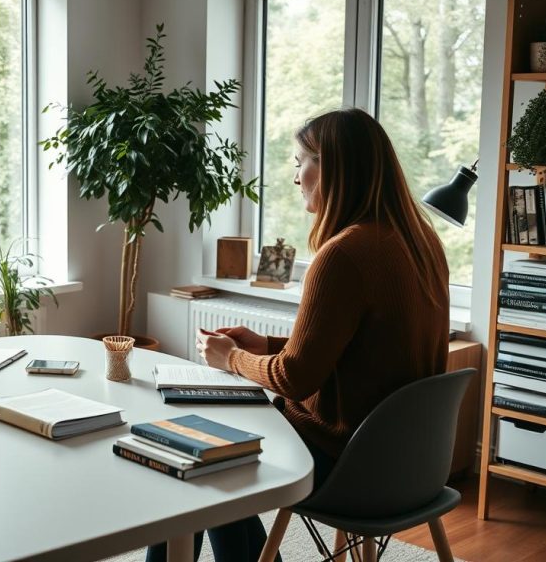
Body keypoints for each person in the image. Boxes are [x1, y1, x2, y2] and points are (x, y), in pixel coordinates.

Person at [147, 108, 450, 562]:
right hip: (411, 466)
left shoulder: (343, 255)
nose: (295, 178)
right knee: (209, 455)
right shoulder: (422, 242)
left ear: (332, 168)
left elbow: (295, 380)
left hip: (347, 465)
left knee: (196, 457)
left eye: (299, 162)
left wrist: (230, 357)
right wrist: (264, 345)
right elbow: (361, 351)